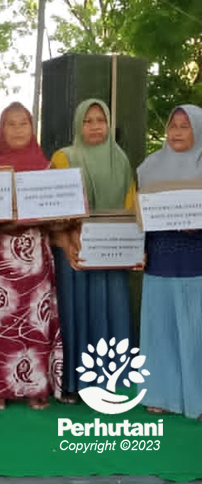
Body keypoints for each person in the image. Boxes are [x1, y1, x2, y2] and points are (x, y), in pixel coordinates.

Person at [0, 102, 63, 410]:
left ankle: (34, 387)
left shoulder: (46, 167)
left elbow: (57, 212)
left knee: (35, 319)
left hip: (34, 254)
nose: (18, 129)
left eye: (23, 123)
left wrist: (61, 216)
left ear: (33, 128)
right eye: (11, 124)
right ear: (1, 129)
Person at [50, 99, 135, 403]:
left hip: (111, 253)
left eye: (101, 120)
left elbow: (130, 210)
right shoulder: (64, 158)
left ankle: (105, 380)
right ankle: (71, 382)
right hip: (74, 251)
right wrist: (66, 240)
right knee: (75, 313)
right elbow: (51, 209)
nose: (95, 126)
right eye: (88, 121)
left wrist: (129, 248)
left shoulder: (121, 161)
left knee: (106, 310)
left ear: (109, 124)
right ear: (78, 125)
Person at [136, 104, 202, 420]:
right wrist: (138, 249)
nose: (176, 132)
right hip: (160, 257)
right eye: (172, 125)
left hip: (196, 259)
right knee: (159, 330)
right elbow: (139, 215)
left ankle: (198, 399)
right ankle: (160, 393)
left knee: (196, 331)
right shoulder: (149, 167)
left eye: (184, 126)